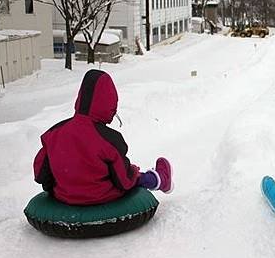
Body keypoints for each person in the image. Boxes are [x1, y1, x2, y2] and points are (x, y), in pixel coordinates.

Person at [33, 69, 173, 205]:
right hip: (103, 198)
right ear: (110, 104)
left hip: (64, 197)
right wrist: (134, 171)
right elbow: (124, 181)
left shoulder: (54, 133)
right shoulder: (110, 139)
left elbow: (40, 174)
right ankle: (159, 180)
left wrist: (65, 187)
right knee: (133, 176)